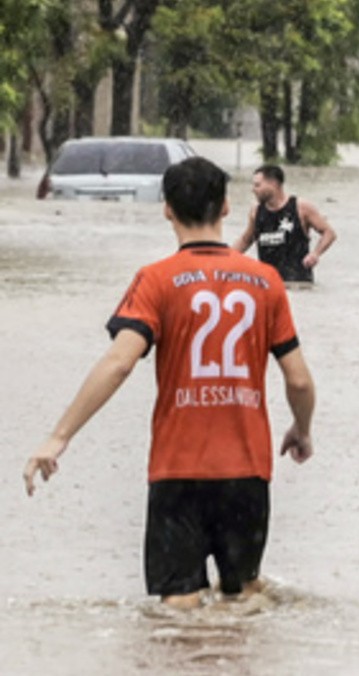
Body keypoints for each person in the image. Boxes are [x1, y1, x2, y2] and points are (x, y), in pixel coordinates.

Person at [23, 156, 318, 610]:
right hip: (247, 472)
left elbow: (119, 363)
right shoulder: (266, 282)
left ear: (166, 209)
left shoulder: (155, 281)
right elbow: (297, 379)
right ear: (225, 207)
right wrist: (302, 428)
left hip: (177, 471)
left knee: (177, 612)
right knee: (244, 603)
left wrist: (58, 437)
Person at [234, 164, 337, 283]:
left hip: (298, 284)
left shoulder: (301, 207)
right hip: (269, 285)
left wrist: (315, 254)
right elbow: (245, 240)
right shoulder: (256, 211)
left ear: (273, 184)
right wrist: (225, 260)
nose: (253, 189)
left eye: (257, 185)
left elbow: (329, 233)